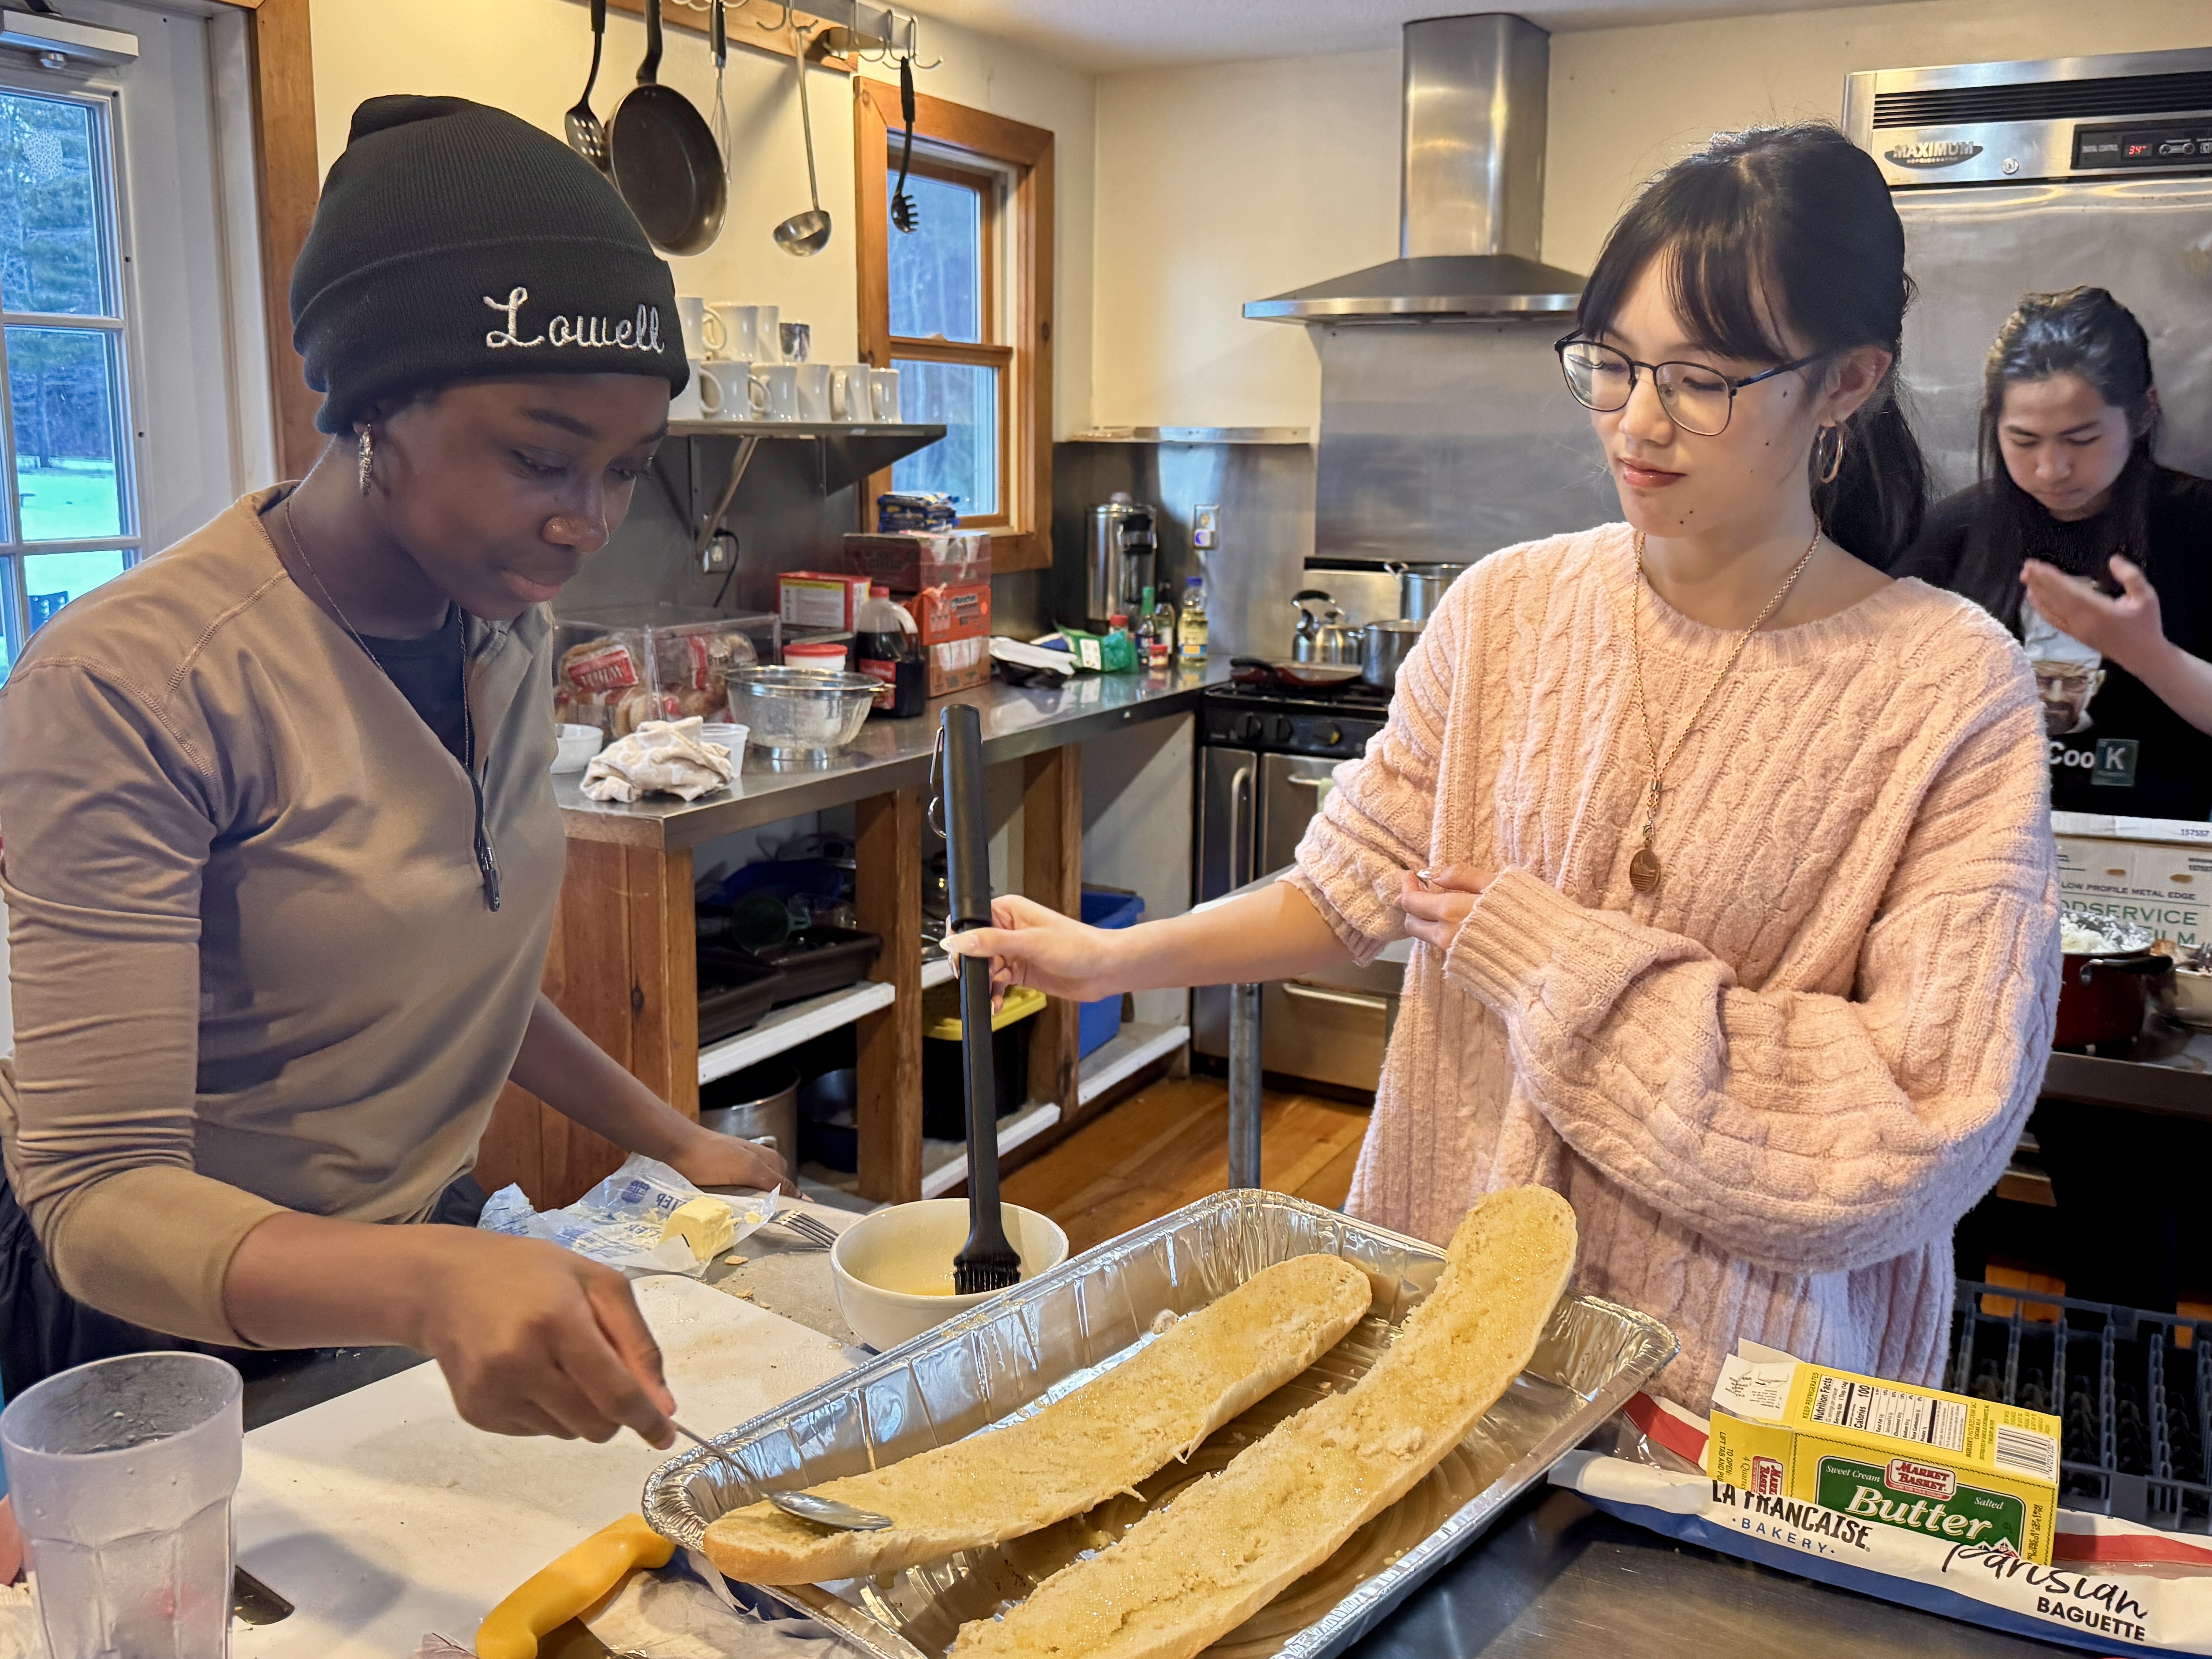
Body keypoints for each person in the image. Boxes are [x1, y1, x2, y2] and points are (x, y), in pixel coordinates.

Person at [946, 125, 2059, 1407]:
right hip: (1451, 1336)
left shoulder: (1944, 685)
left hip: (1730, 1404)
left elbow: (1914, 1125)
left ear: (1844, 383)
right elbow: (1352, 887)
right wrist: (1111, 959)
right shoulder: (1504, 610)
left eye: (1700, 379)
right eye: (1610, 364)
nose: (1636, 421)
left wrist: (1550, 963)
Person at [0, 97, 782, 1445]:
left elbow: (455, 976)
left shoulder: (504, 627)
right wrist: (429, 1281)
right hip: (163, 1335)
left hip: (408, 1258)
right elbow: (98, 1197)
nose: (585, 521)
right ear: (372, 408)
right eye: (540, 458)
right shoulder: (139, 684)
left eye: (625, 470)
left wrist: (675, 1137)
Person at [1894, 286, 2212, 819]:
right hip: (1985, 836)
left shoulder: (2198, 524)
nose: (2050, 469)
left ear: (2142, 414)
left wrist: (2147, 655)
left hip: (2156, 847)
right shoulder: (1952, 534)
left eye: (2080, 439)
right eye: (2023, 440)